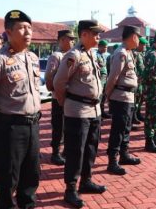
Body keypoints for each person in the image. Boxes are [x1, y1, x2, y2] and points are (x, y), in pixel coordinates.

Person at [0, 10, 41, 209]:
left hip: (33, 125)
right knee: (8, 178)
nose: (27, 32)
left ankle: (27, 205)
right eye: (22, 28)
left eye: (29, 28)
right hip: (10, 128)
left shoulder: (32, 57)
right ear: (8, 32)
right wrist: (0, 118)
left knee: (31, 174)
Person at [54, 20, 107, 208]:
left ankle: (86, 181)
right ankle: (70, 189)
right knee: (76, 152)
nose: (98, 37)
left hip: (94, 110)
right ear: (84, 34)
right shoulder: (73, 55)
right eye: (95, 34)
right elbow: (58, 83)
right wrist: (65, 103)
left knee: (91, 148)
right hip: (77, 111)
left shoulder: (91, 54)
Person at [105, 25, 141, 176]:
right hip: (121, 97)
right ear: (133, 37)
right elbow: (113, 77)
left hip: (129, 97)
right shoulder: (121, 53)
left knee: (126, 128)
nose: (139, 40)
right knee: (118, 130)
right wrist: (108, 96)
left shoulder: (129, 52)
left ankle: (124, 155)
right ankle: (113, 161)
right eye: (138, 37)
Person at [45, 29, 75, 166]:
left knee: (68, 126)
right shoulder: (56, 56)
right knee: (59, 126)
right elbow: (49, 78)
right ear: (62, 40)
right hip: (59, 99)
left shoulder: (72, 55)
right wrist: (57, 93)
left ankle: (65, 151)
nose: (73, 41)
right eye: (70, 39)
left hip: (71, 98)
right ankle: (55, 153)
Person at [132, 37, 148, 125]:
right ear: (139, 44)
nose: (145, 46)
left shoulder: (141, 54)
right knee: (135, 99)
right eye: (143, 44)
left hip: (141, 81)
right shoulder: (135, 54)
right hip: (137, 81)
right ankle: (133, 116)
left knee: (140, 99)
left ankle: (138, 114)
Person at [96, 39, 111, 119]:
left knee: (103, 98)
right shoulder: (96, 55)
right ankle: (98, 115)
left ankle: (102, 112)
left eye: (106, 47)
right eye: (104, 47)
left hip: (105, 80)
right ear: (99, 47)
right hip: (99, 80)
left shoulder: (103, 55)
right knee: (99, 98)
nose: (106, 49)